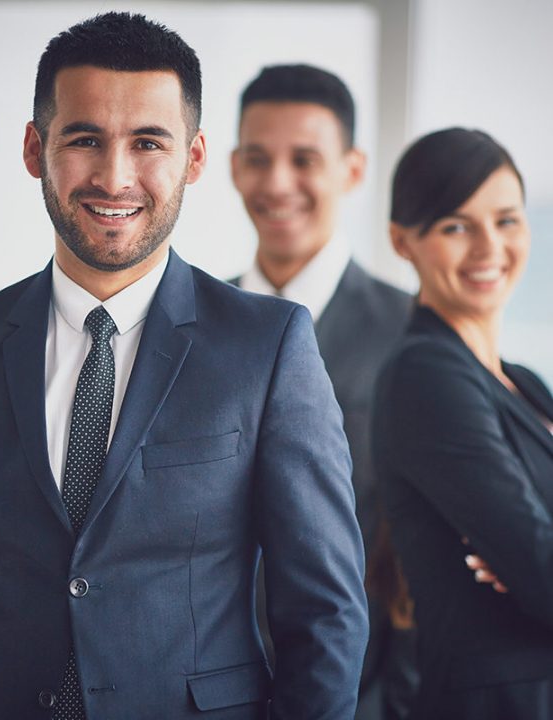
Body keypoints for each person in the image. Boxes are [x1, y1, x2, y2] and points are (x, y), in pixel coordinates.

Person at [0, 13, 368, 720]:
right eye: (85, 138)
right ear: (36, 148)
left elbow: (326, 615)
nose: (115, 175)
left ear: (192, 159)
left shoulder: (268, 345)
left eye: (148, 142)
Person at [230, 64, 415, 719]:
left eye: (304, 159)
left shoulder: (413, 335)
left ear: (353, 170)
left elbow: (428, 550)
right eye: (258, 158)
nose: (278, 183)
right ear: (231, 168)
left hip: (364, 695)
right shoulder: (189, 328)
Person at [373, 127, 553, 719]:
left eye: (506, 220)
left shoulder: (526, 384)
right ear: (404, 241)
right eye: (456, 226)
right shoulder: (426, 375)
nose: (488, 248)